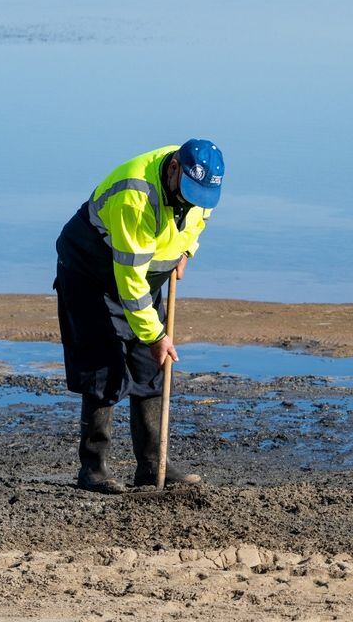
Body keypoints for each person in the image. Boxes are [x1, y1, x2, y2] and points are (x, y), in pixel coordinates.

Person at [54, 140, 225, 493]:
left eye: (202, 195)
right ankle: (93, 469)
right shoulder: (136, 196)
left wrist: (185, 251)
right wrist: (156, 335)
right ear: (174, 168)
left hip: (142, 270)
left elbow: (197, 220)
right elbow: (130, 286)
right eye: (189, 192)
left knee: (150, 367)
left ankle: (151, 465)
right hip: (93, 270)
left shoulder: (202, 183)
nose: (195, 200)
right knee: (103, 366)